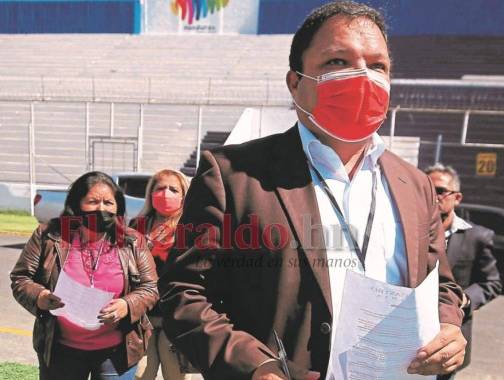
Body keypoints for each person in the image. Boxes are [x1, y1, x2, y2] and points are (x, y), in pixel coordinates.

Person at [159, 2, 467, 379]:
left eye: (377, 65)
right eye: (338, 62)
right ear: (295, 82)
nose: (363, 77)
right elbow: (184, 293)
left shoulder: (415, 184)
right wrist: (255, 367)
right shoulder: (231, 175)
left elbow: (441, 285)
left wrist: (449, 326)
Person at [11, 171, 159, 380]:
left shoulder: (133, 241)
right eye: (92, 201)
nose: (101, 208)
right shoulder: (49, 235)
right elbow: (21, 278)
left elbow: (150, 288)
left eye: (108, 202)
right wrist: (40, 297)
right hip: (60, 350)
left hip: (117, 351)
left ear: (117, 207)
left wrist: (127, 305)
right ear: (77, 203)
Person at [426, 164, 502, 380]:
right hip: (410, 332)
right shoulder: (406, 232)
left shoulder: (478, 236)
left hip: (451, 333)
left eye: (440, 191)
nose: (433, 196)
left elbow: (491, 283)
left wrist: (462, 300)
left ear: (457, 197)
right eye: (427, 190)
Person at [130, 169, 196, 380]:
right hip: (141, 318)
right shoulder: (136, 226)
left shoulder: (191, 227)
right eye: (160, 188)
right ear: (150, 193)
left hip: (175, 318)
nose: (166, 193)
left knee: (174, 375)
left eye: (173, 189)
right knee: (140, 375)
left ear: (183, 195)